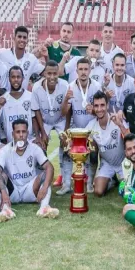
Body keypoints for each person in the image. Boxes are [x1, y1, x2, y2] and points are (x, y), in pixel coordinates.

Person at [0, 119, 59, 219]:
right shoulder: (5, 150)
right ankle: (5, 210)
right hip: (13, 191)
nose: (21, 135)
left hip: (30, 189)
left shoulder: (34, 148)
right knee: (1, 176)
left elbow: (50, 167)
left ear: (27, 133)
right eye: (18, 132)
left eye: (23, 132)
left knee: (46, 175)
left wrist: (45, 187)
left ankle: (44, 207)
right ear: (13, 134)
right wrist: (3, 191)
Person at [60, 57, 101, 193]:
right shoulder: (70, 86)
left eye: (86, 69)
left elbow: (101, 110)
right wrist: (66, 100)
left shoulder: (96, 86)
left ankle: (89, 183)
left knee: (93, 150)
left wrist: (93, 110)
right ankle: (66, 184)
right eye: (81, 69)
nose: (83, 72)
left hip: (91, 127)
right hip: (76, 127)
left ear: (90, 70)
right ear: (76, 71)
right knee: (65, 147)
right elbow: (65, 112)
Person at [85, 92, 126, 197]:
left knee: (127, 190)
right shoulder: (91, 125)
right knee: (98, 192)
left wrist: (120, 125)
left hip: (123, 162)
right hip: (107, 163)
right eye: (96, 106)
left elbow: (130, 137)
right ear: (93, 107)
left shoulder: (116, 119)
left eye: (102, 105)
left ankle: (121, 178)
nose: (99, 109)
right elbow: (82, 142)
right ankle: (111, 181)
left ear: (107, 105)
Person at [31, 59, 69, 168]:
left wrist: (66, 131)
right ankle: (42, 171)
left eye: (55, 73)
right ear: (44, 74)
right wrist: (42, 133)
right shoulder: (36, 87)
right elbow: (36, 111)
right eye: (49, 73)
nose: (52, 77)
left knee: (67, 144)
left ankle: (64, 172)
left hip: (61, 120)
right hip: (45, 121)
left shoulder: (64, 85)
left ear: (59, 73)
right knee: (40, 146)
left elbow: (68, 110)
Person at [0, 66, 36, 144]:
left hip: (29, 142)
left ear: (22, 78)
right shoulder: (3, 98)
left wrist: (38, 137)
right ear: (9, 79)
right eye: (13, 77)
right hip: (10, 144)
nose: (16, 79)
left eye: (18, 77)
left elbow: (35, 118)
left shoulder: (30, 97)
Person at [0, 26, 45, 91]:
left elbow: (47, 72)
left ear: (27, 40)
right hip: (5, 95)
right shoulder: (2, 53)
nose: (22, 40)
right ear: (14, 38)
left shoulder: (32, 59)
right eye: (19, 37)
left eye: (24, 37)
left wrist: (46, 56)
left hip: (22, 96)